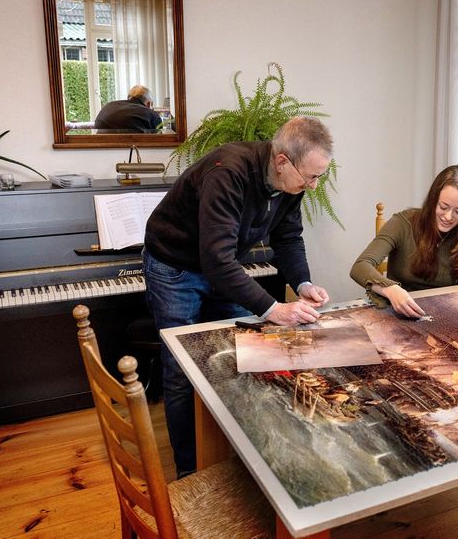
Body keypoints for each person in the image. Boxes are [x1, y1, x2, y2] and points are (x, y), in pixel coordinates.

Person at [142, 116, 333, 477]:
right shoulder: (228, 172)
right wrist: (273, 309)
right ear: (281, 161)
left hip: (221, 266)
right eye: (310, 176)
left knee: (232, 358)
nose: (314, 184)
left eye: (319, 176)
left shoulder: (292, 186)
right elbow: (216, 261)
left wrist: (304, 283)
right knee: (182, 370)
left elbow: (288, 239)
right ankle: (191, 472)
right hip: (174, 266)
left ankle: (229, 458)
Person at [350, 165, 458, 318]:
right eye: (443, 207)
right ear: (433, 200)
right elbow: (360, 266)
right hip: (395, 312)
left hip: (444, 317)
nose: (448, 217)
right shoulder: (403, 223)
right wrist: (390, 289)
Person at [93, 85, 162, 132]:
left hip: (100, 150)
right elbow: (159, 138)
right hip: (133, 150)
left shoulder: (108, 105)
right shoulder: (151, 114)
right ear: (149, 103)